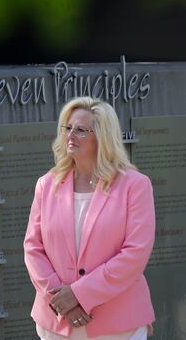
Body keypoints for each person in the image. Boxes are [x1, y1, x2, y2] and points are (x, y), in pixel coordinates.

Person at [24, 96, 155, 340]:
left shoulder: (135, 185)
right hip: (57, 323)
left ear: (103, 137)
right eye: (68, 128)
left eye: (81, 130)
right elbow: (33, 247)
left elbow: (135, 254)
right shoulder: (47, 184)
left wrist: (80, 294)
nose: (70, 135)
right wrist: (62, 300)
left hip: (118, 324)